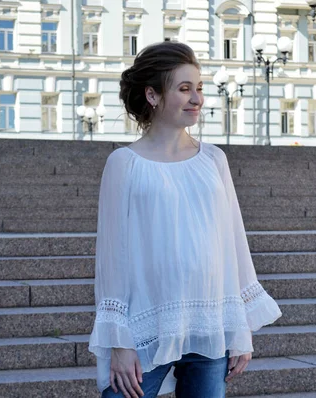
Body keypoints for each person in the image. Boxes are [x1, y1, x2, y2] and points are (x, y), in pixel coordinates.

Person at [88, 41, 282, 398]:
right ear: (152, 95)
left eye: (199, 88)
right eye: (184, 88)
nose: (197, 99)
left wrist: (239, 329)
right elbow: (111, 261)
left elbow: (233, 242)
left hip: (209, 324)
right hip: (145, 324)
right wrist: (119, 342)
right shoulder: (124, 164)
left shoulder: (213, 160)